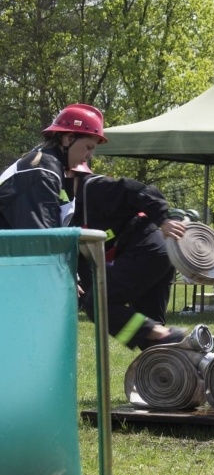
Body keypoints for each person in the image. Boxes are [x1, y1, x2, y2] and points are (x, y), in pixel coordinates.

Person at [71, 165, 188, 350]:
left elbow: (140, 190)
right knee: (151, 341)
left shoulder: (95, 186)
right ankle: (181, 367)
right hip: (152, 255)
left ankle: (164, 334)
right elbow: (83, 257)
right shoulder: (72, 209)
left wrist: (163, 219)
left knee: (97, 304)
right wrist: (76, 280)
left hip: (147, 250)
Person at [0, 103, 106, 229]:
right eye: (88, 147)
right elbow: (39, 240)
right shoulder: (43, 172)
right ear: (69, 138)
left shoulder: (44, 165)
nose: (89, 156)